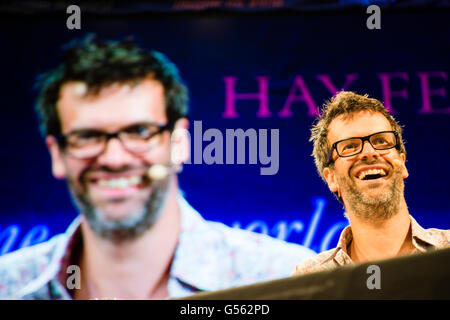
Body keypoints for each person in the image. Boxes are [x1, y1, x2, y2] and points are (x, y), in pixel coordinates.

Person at [0, 34, 315, 299]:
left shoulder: (287, 280)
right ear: (57, 153)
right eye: (87, 136)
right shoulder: (8, 285)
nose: (114, 159)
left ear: (179, 142)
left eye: (139, 132)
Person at [293, 91, 449, 275]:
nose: (369, 152)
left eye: (381, 141)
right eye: (350, 146)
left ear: (402, 163)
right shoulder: (311, 277)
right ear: (331, 178)